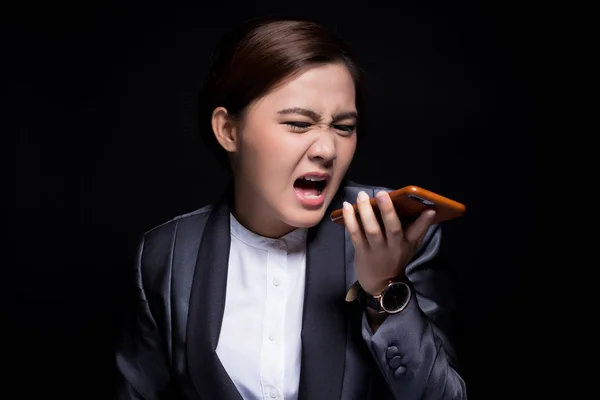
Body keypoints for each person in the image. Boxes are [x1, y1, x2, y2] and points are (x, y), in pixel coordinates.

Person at [114, 15, 467, 400]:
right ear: (228, 131)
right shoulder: (165, 254)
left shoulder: (393, 233)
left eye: (344, 127)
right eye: (299, 123)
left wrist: (386, 288)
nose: (327, 149)